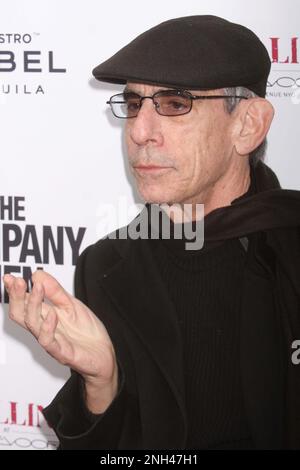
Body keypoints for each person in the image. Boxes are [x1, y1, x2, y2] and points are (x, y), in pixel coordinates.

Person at [3, 15, 300, 450]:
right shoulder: (105, 266)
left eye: (175, 104)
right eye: (134, 104)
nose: (139, 132)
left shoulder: (291, 250)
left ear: (248, 125)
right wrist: (101, 383)